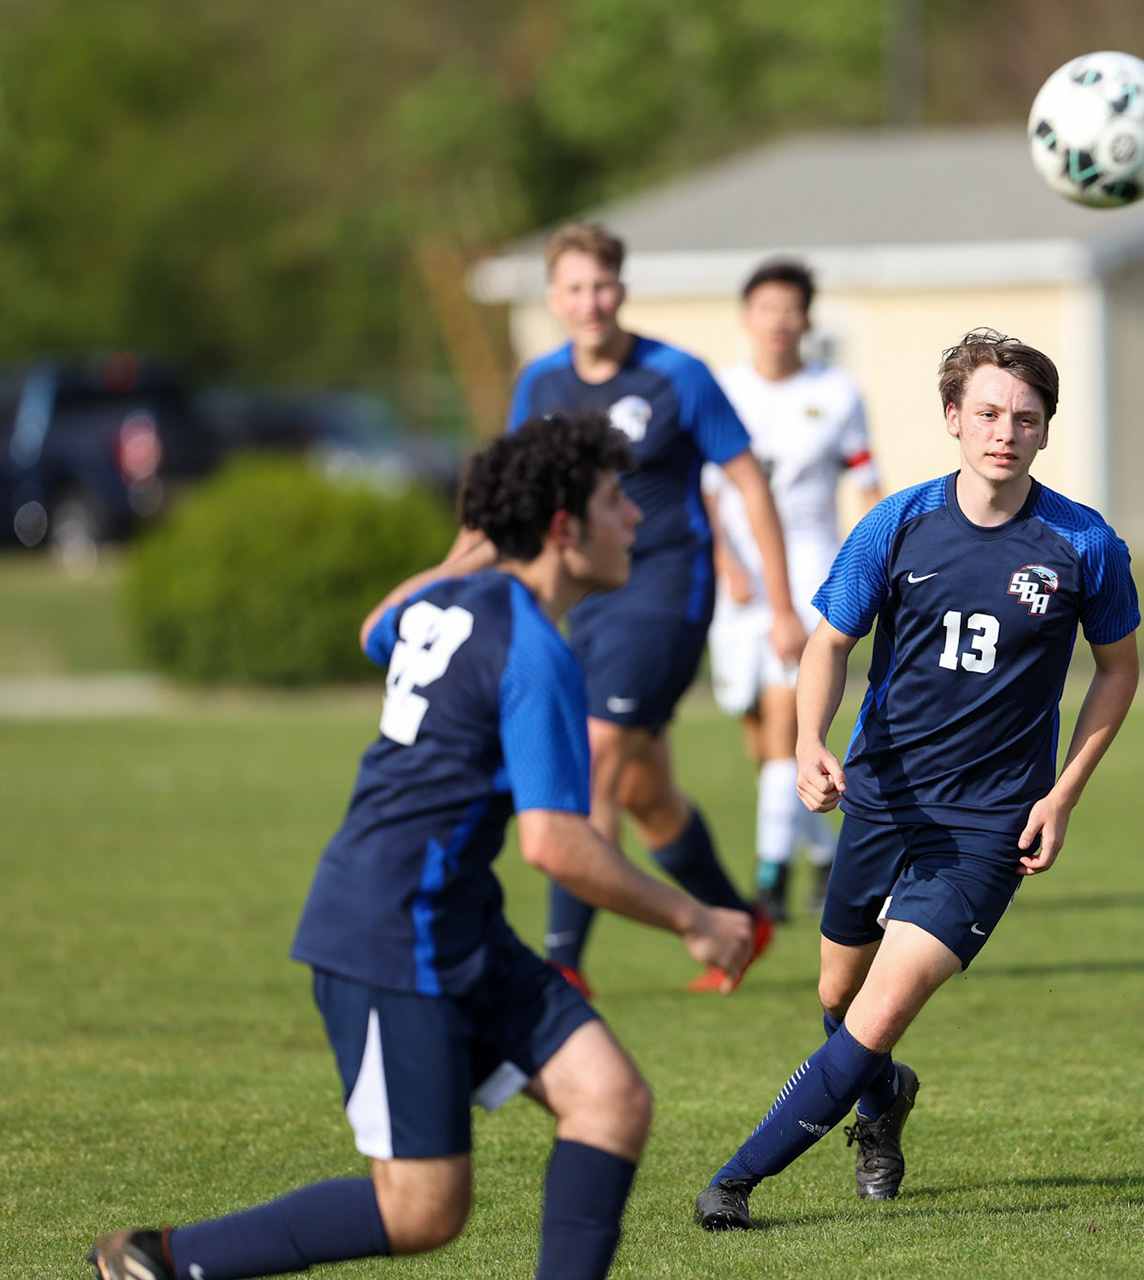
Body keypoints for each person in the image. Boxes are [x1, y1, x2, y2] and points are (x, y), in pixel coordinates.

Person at [88, 413, 755, 1280]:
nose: (635, 516)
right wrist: (693, 918)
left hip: (459, 923)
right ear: (563, 528)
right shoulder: (535, 653)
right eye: (612, 500)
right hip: (391, 932)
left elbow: (379, 625)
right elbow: (556, 845)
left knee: (611, 1099)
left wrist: (476, 550)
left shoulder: (450, 601)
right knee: (423, 1211)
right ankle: (160, 1263)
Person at [692, 329, 1141, 1230]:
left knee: (879, 1010)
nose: (1003, 432)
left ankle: (733, 1184)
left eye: (1025, 417)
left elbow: (1118, 670)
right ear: (952, 420)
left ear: (1046, 432)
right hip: (883, 798)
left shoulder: (1083, 543)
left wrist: (1062, 793)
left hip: (988, 827)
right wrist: (808, 742)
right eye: (986, 413)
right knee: (836, 996)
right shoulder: (896, 523)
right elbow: (828, 643)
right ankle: (881, 1102)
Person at [499, 222, 802, 995]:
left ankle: (562, 963)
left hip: (667, 591)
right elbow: (515, 498)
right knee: (645, 794)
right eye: (574, 288)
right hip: (586, 604)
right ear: (553, 298)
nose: (590, 301)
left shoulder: (678, 376)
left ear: (622, 289)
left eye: (602, 285)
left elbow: (749, 484)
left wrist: (781, 603)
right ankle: (739, 922)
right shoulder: (539, 385)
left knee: (593, 766)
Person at [707, 258, 884, 922]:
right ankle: (818, 852)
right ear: (745, 317)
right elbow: (704, 490)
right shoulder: (719, 390)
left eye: (791, 309)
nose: (779, 322)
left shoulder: (838, 393)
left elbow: (867, 484)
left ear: (808, 319)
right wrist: (724, 559)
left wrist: (884, 556)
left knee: (789, 720)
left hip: (810, 571)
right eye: (766, 308)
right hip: (737, 586)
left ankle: (768, 880)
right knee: (760, 739)